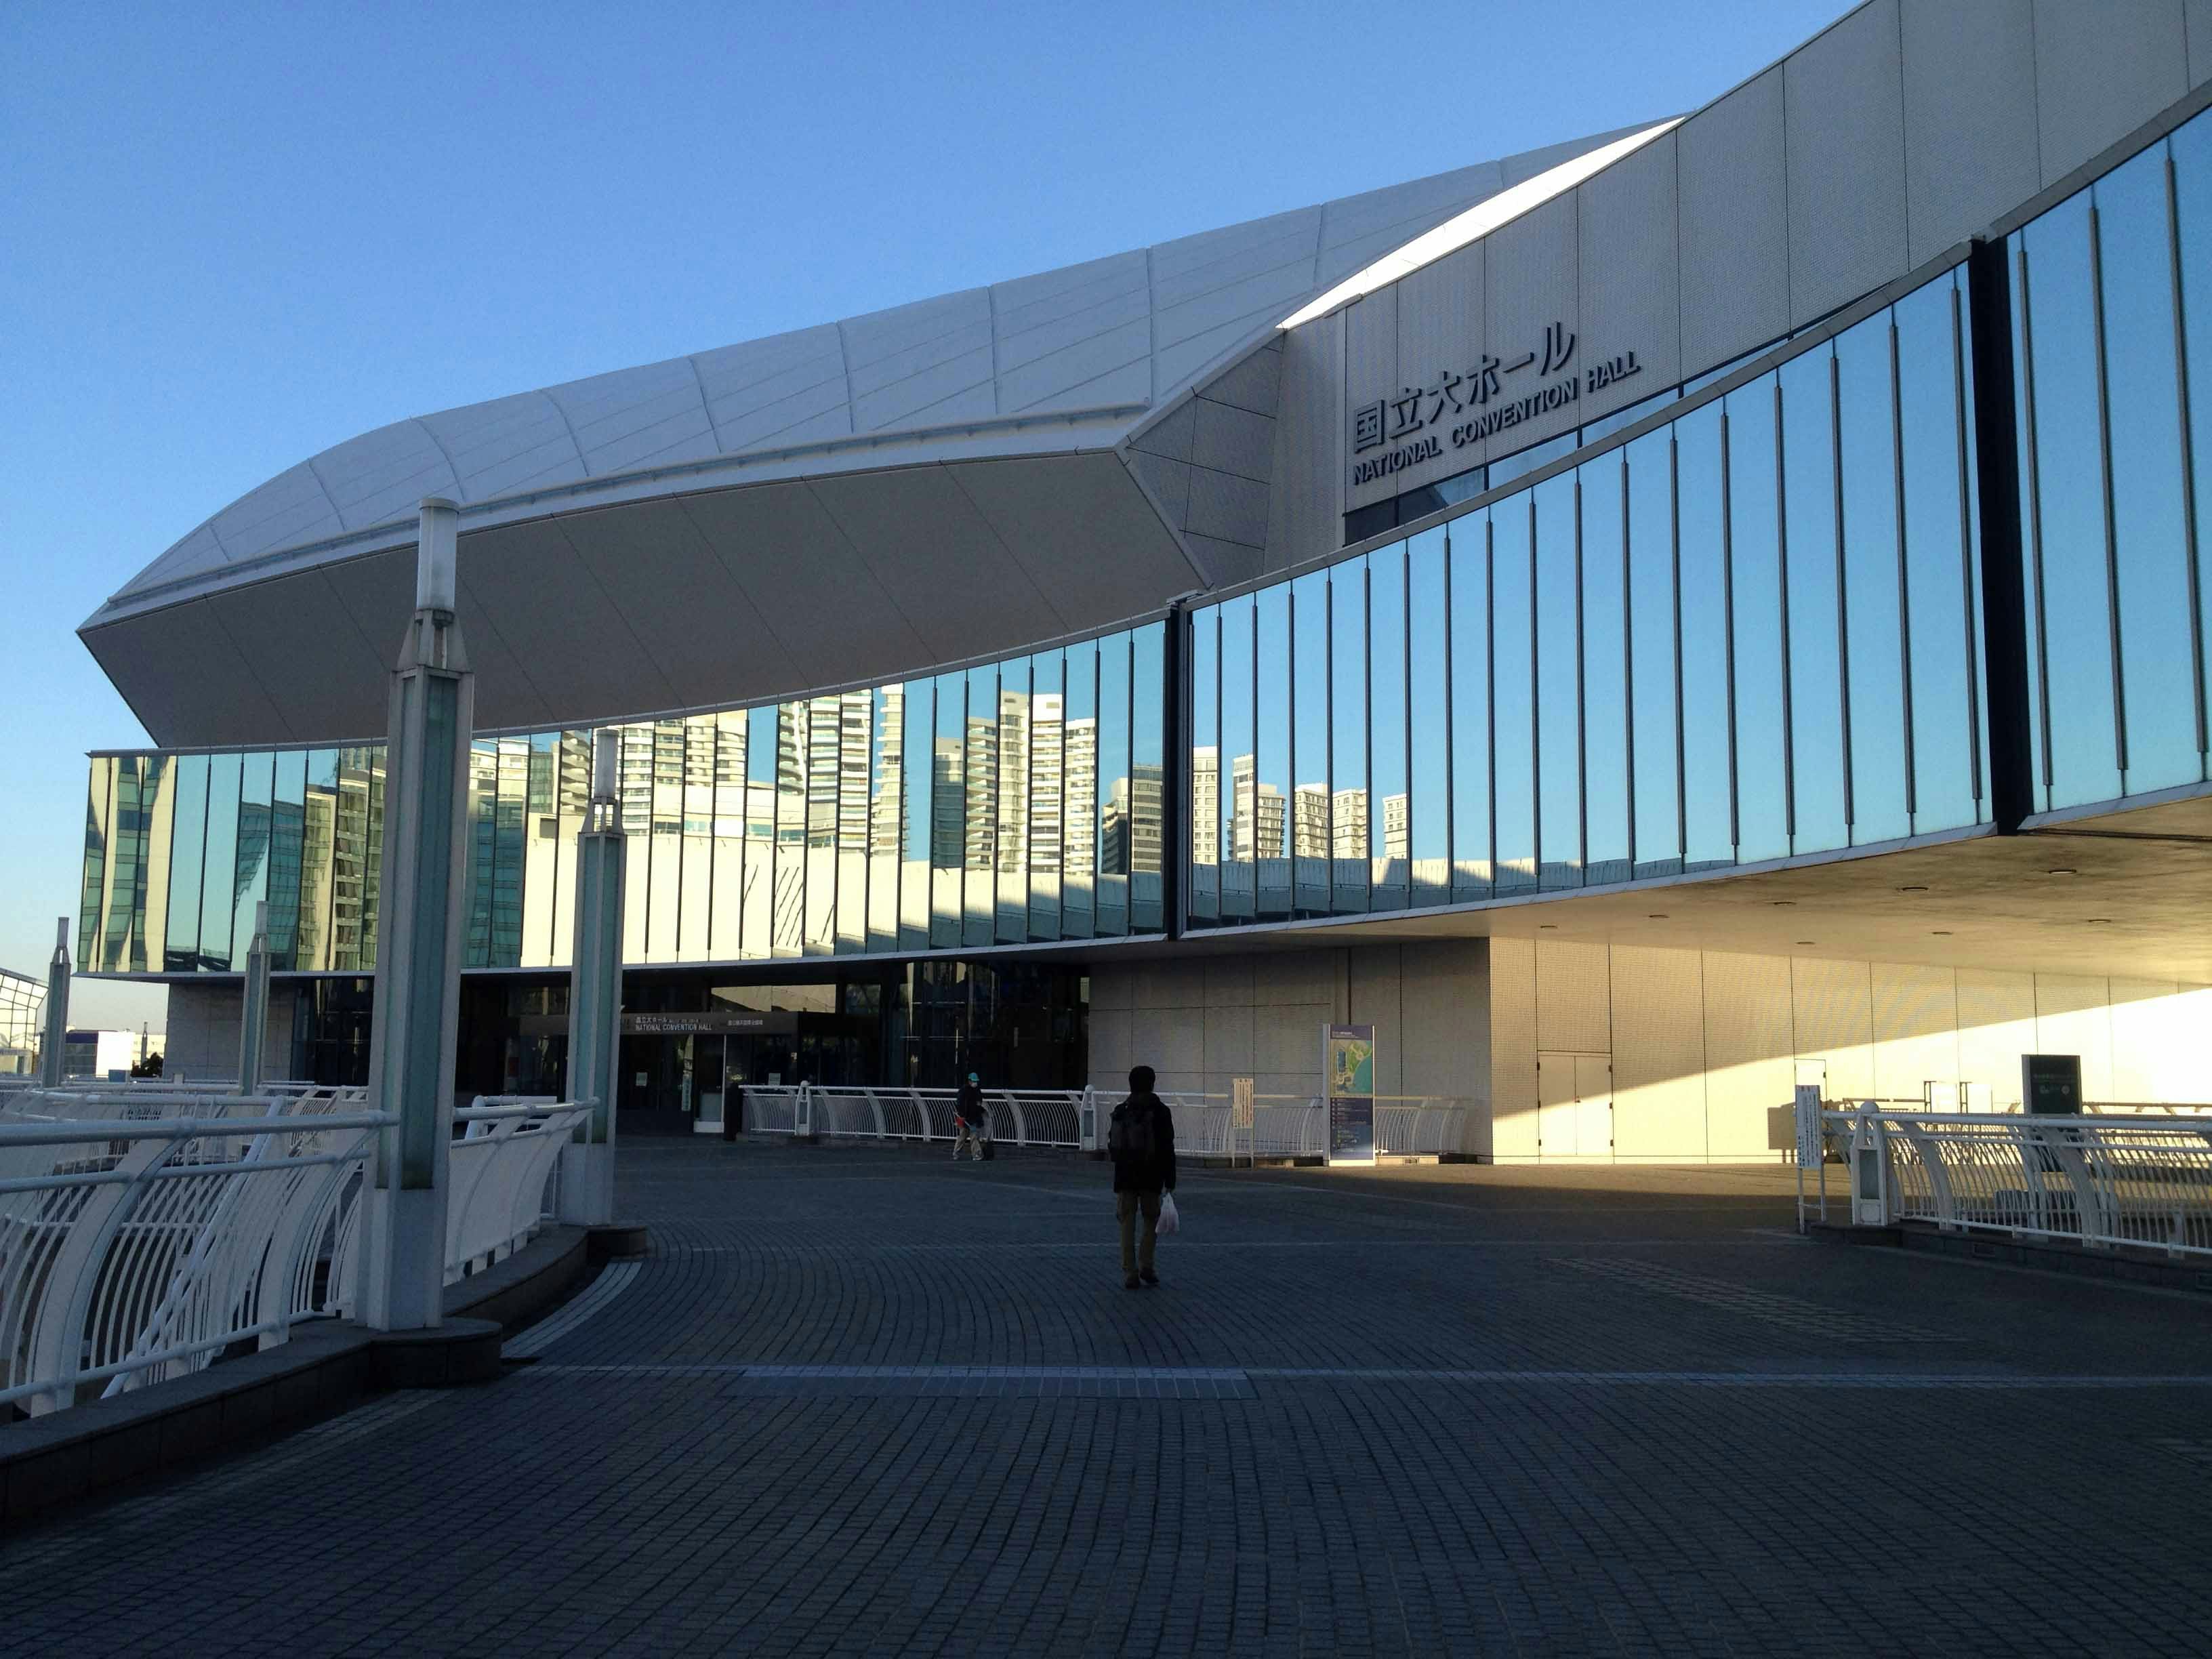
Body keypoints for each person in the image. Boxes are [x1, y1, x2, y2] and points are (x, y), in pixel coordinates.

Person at [1107, 1065, 1176, 1289]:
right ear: (1153, 1083)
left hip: (1125, 1176)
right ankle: (1147, 1264)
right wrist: (1170, 1179)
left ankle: (1129, 1272)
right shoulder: (1161, 1112)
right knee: (1151, 1220)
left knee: (1127, 1222)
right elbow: (1167, 1148)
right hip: (1151, 1175)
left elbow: (1113, 1147)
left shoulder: (1121, 1110)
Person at [952, 1071, 986, 1162]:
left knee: (974, 1136)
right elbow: (960, 1104)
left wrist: (981, 1111)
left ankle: (977, 1155)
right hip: (965, 1118)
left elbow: (979, 1103)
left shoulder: (977, 1090)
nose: (975, 1083)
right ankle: (956, 1152)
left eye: (976, 1081)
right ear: (969, 1081)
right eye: (974, 1081)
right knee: (963, 1136)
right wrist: (962, 1116)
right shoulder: (964, 1090)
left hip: (974, 1118)